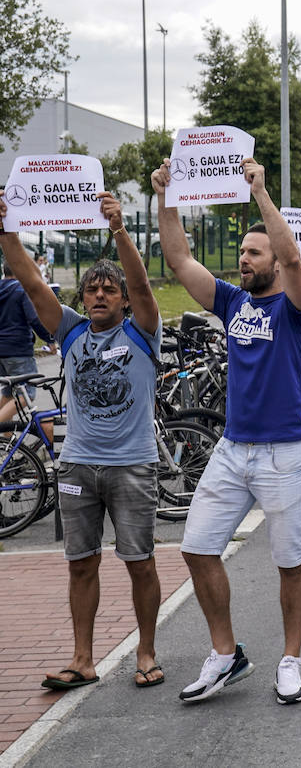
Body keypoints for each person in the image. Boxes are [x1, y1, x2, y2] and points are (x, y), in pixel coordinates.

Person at [155, 157, 301, 706]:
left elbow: (294, 256)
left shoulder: (299, 307)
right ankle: (226, 655)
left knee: (289, 562)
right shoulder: (234, 301)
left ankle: (290, 661)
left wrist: (261, 195)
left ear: (273, 258)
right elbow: (179, 259)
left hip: (287, 453)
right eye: (243, 254)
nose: (244, 260)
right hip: (233, 448)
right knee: (197, 548)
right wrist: (166, 196)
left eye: (253, 253)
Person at [0, 194, 165, 691]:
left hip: (133, 467)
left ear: (123, 299)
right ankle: (82, 658)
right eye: (91, 290)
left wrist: (119, 229)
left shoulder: (143, 332)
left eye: (108, 290)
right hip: (77, 468)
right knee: (80, 564)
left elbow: (141, 282)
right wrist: (6, 232)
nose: (98, 296)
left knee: (140, 563)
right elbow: (30, 281)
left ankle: (147, 650)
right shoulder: (70, 333)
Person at [0, 254, 55, 422]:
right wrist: (50, 340)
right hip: (18, 351)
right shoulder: (21, 290)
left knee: (9, 394)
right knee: (27, 394)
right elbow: (34, 319)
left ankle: (7, 443)